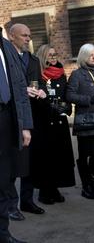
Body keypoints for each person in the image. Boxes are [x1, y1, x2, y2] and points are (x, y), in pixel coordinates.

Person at [8, 24, 46, 218]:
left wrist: (41, 91)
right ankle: (11, 206)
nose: (28, 39)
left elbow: (39, 81)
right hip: (12, 116)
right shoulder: (5, 58)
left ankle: (27, 201)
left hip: (32, 114)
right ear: (11, 36)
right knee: (14, 162)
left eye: (29, 36)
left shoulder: (33, 60)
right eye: (24, 35)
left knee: (29, 161)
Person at [67, 44, 94, 199]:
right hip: (85, 121)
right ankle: (86, 186)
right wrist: (90, 99)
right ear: (83, 57)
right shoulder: (77, 74)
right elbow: (70, 96)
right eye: (90, 55)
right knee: (85, 155)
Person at [1, 27, 32, 243]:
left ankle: (3, 233)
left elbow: (20, 89)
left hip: (6, 119)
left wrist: (25, 125)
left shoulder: (7, 48)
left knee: (3, 180)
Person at [33, 44, 76, 204]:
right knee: (46, 158)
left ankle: (55, 187)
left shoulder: (60, 72)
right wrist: (48, 106)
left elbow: (66, 93)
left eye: (54, 54)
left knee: (60, 156)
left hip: (59, 120)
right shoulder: (38, 73)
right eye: (50, 54)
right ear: (43, 56)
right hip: (44, 121)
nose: (53, 56)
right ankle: (45, 191)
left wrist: (66, 106)